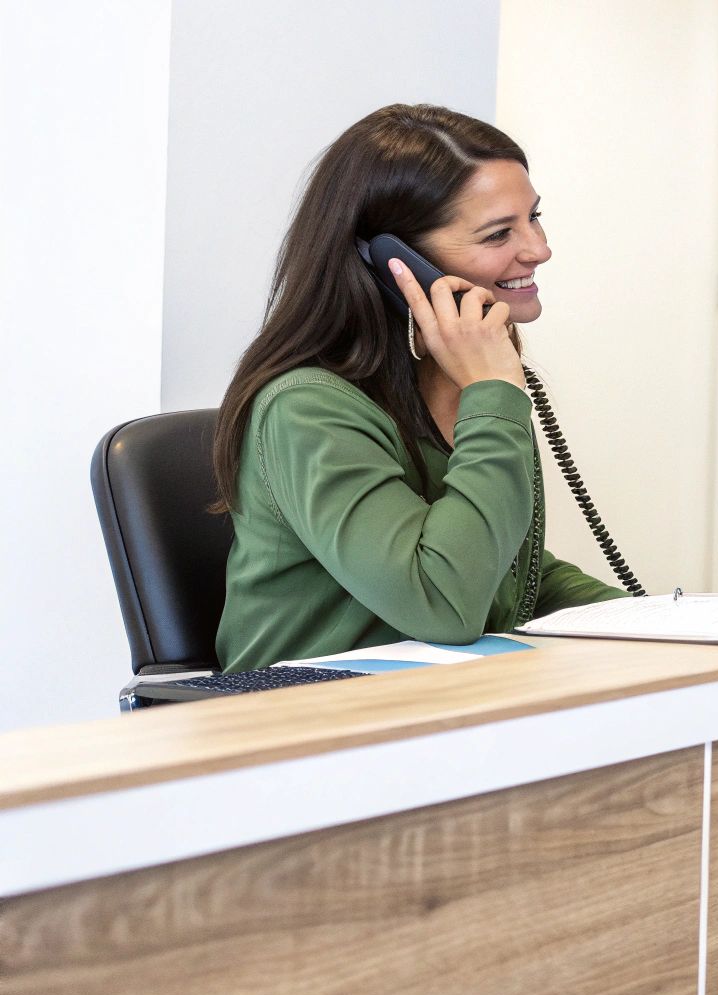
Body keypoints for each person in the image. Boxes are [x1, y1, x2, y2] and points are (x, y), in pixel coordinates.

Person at [212, 103, 625, 673]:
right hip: (306, 729)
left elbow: (504, 571)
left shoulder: (468, 380)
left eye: (535, 217)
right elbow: (444, 603)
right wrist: (494, 396)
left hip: (445, 711)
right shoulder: (307, 407)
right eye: (499, 233)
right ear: (393, 261)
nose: (538, 248)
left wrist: (662, 622)